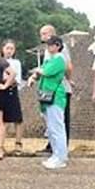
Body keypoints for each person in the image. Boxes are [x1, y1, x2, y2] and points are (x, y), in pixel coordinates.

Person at [28, 37, 68, 170]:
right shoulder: (50, 59)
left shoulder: (59, 59)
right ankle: (56, 155)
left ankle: (61, 157)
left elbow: (45, 71)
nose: (48, 48)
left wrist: (37, 72)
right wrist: (34, 76)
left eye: (50, 45)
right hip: (46, 96)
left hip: (56, 96)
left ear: (57, 46)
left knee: (57, 128)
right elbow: (40, 71)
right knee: (51, 128)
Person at [38, 25, 73, 152]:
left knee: (60, 119)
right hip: (48, 88)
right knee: (50, 119)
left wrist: (69, 80)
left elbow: (68, 66)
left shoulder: (60, 49)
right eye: (41, 34)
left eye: (45, 33)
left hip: (59, 88)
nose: (42, 36)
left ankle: (61, 148)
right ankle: (52, 145)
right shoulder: (48, 51)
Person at [1, 40, 24, 155]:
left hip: (12, 91)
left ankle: (18, 143)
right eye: (7, 48)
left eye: (11, 48)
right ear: (2, 49)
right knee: (3, 120)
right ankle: (1, 144)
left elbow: (17, 79)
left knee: (17, 118)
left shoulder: (16, 63)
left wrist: (9, 79)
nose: (9, 51)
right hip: (0, 92)